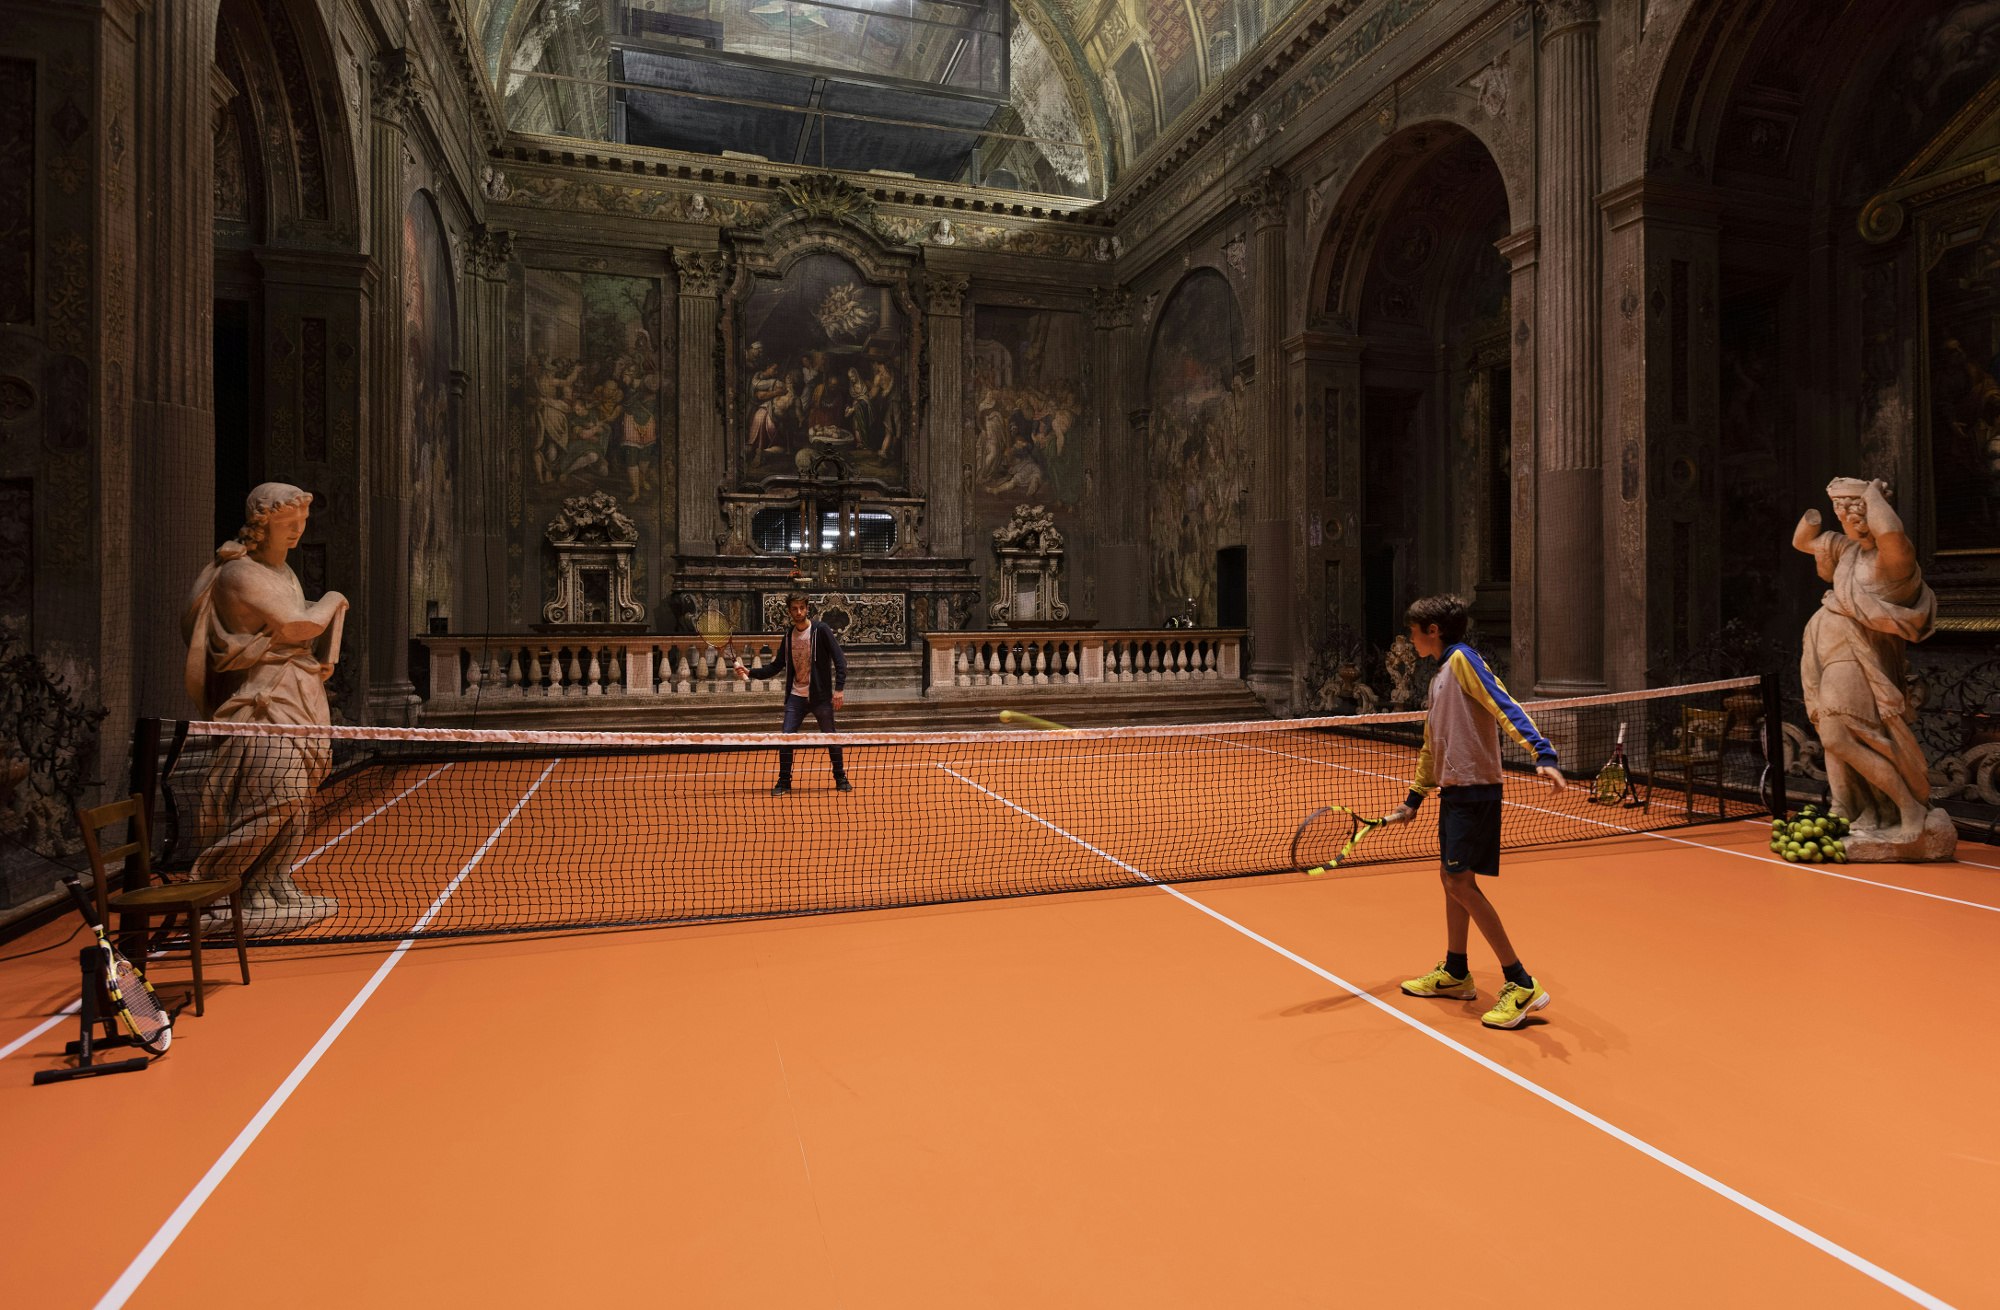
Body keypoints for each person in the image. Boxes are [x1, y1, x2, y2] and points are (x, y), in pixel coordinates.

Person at [1382, 593, 1565, 1029]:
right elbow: (1433, 744)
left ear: (1434, 631)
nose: (1409, 638)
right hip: (1454, 791)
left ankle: (1521, 983)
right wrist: (1413, 799)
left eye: (1413, 630)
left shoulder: (1463, 660)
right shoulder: (1439, 676)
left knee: (1460, 883)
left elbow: (1504, 703)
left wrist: (1541, 750)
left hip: (1476, 790)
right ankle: (1457, 971)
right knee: (1451, 881)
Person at [181, 483, 348, 930]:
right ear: (261, 524)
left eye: (302, 522)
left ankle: (267, 883)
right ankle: (217, 885)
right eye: (286, 523)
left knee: (300, 800)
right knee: (277, 796)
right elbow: (298, 624)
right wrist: (333, 599)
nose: (297, 530)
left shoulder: (284, 574)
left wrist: (325, 642)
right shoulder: (242, 574)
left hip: (298, 691)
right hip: (262, 702)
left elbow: (300, 623)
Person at [1793, 477, 1938, 840]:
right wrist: (1818, 511)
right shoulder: (1848, 551)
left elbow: (1890, 531)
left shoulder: (1894, 561)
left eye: (1850, 511)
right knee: (1838, 741)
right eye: (1839, 513)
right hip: (1825, 654)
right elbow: (1803, 541)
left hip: (1854, 661)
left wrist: (1872, 494)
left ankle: (1908, 805)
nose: (1845, 520)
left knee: (1839, 738)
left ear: (1870, 513)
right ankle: (1857, 808)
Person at [737, 592, 851, 796]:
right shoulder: (789, 635)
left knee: (831, 737)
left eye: (802, 608)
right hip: (796, 697)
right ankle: (784, 781)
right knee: (786, 738)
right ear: (789, 611)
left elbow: (840, 661)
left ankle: (841, 778)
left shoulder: (821, 630)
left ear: (807, 609)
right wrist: (751, 672)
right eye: (794, 609)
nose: (798, 612)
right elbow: (776, 666)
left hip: (820, 698)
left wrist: (839, 689)